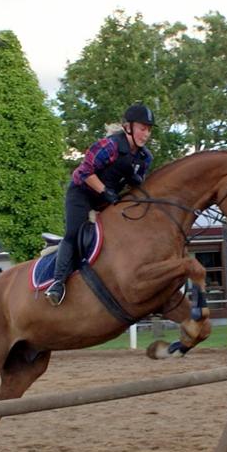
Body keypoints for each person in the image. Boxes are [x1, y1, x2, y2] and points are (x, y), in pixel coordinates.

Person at [45, 103, 155, 305]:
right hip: (82, 193)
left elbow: (138, 186)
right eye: (142, 128)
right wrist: (106, 192)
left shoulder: (144, 157)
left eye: (149, 129)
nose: (146, 134)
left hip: (107, 199)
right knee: (74, 233)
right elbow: (85, 172)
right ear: (128, 127)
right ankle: (57, 284)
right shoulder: (109, 145)